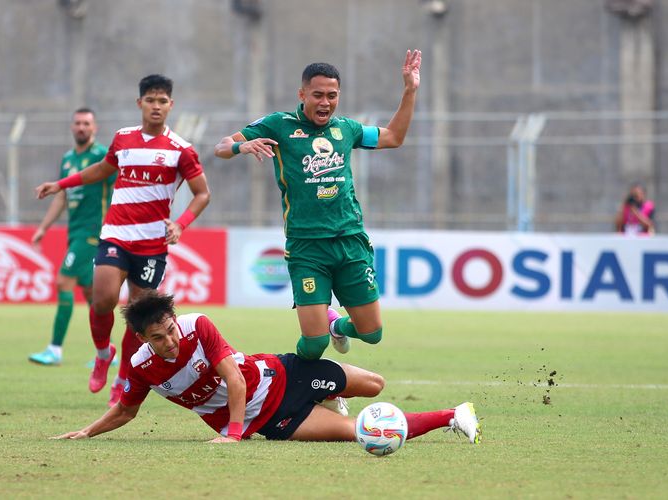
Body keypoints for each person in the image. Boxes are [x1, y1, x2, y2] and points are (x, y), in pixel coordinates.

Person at [51, 291, 482, 445]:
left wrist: (233, 435)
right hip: (273, 419)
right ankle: (454, 415)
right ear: (143, 340)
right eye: (158, 337)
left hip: (280, 372)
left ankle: (330, 361)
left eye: (169, 329)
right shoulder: (142, 366)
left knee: (374, 385)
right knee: (363, 433)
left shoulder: (197, 325)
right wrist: (89, 430)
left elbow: (235, 379)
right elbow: (126, 410)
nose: (170, 340)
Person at [214, 50, 422, 362]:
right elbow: (220, 147)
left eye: (332, 95)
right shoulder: (278, 125)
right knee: (313, 345)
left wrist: (410, 90)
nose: (325, 102)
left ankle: (337, 325)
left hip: (350, 241)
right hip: (307, 246)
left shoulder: (346, 129)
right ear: (302, 94)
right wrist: (240, 145)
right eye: (318, 95)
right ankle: (297, 392)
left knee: (372, 333)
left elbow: (393, 137)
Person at [35, 74, 211, 407]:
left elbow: (203, 194)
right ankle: (103, 354)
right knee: (102, 299)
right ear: (140, 103)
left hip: (152, 246)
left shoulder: (181, 150)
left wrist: (181, 224)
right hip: (116, 234)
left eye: (162, 101)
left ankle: (123, 377)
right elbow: (102, 169)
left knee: (138, 316)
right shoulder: (123, 139)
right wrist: (63, 183)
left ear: (170, 105)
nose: (156, 106)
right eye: (150, 100)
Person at [28, 108, 116, 366]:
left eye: (86, 123)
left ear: (94, 128)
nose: (81, 127)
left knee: (63, 282)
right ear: (71, 127)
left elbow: (119, 187)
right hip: (74, 231)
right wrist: (44, 227)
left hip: (93, 232)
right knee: (92, 295)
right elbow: (62, 195)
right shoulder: (68, 159)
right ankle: (107, 352)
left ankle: (54, 349)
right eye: (77, 123)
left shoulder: (102, 156)